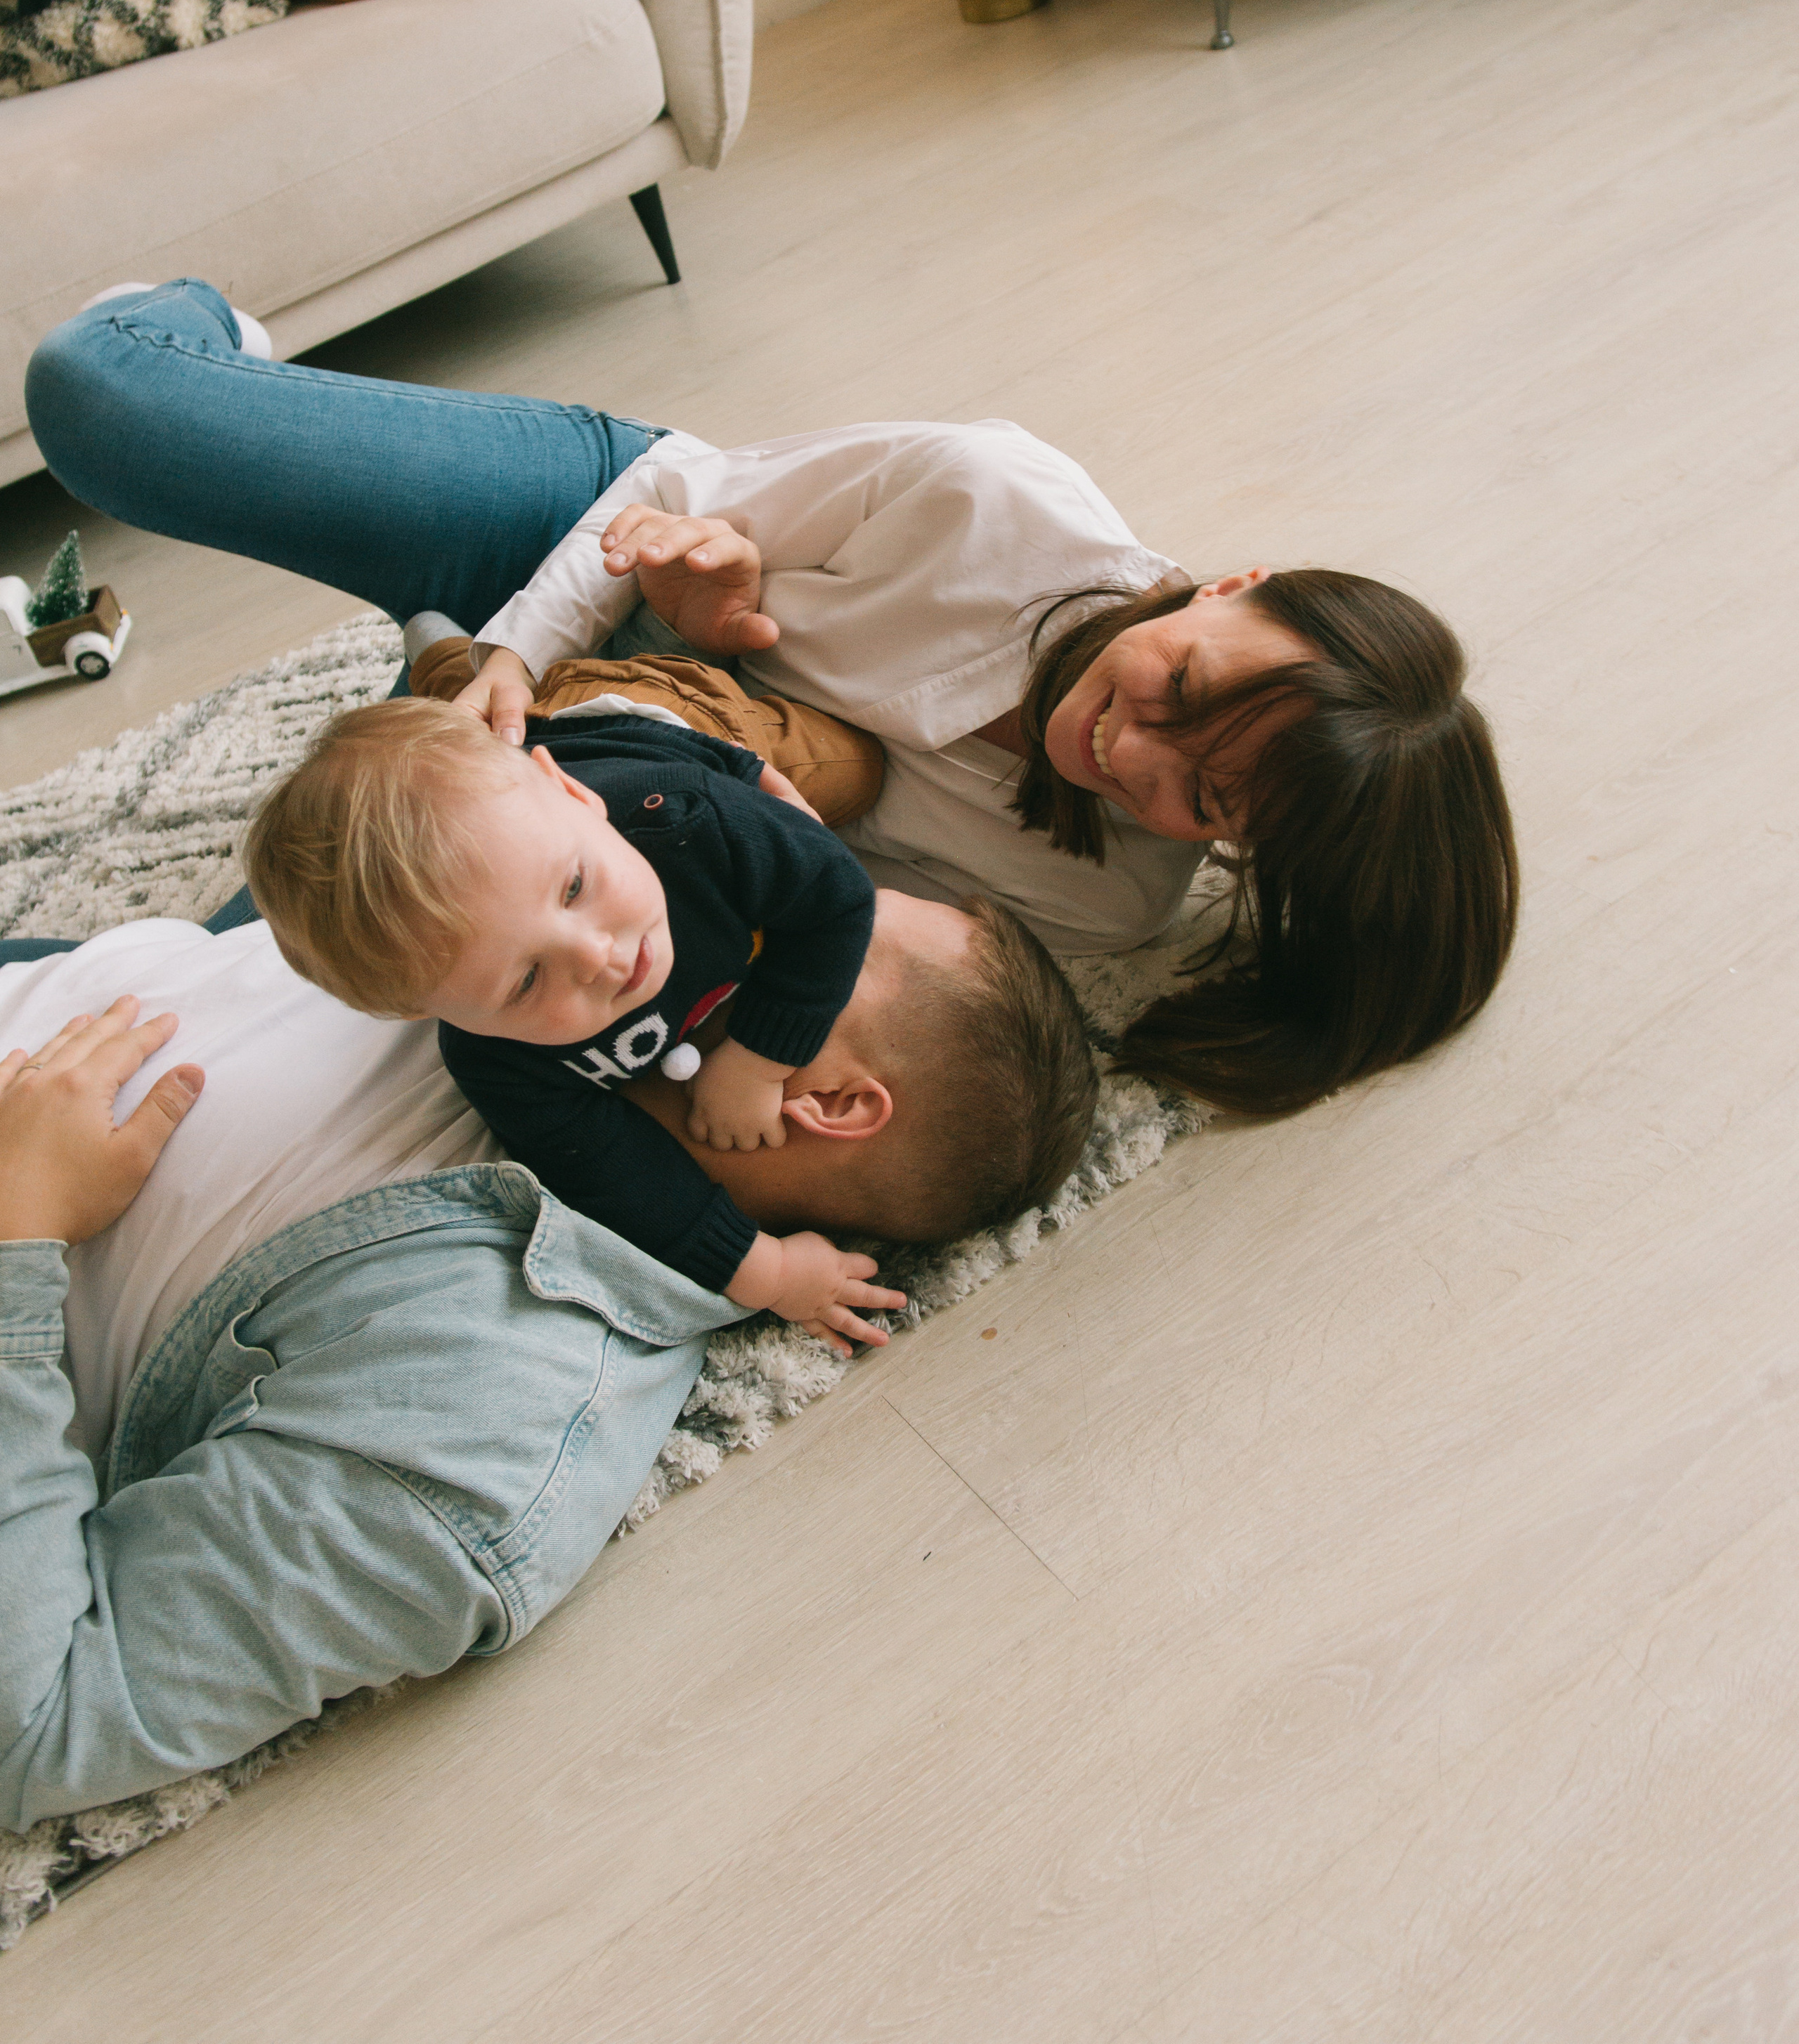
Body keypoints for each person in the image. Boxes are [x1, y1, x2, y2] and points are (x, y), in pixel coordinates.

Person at [25, 280, 1519, 1113]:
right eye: (1179, 686)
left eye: (1201, 798)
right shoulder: (988, 493)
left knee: (201, 1007)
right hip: (575, 541)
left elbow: (786, 891)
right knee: (98, 398)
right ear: (1231, 582)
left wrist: (666, 715)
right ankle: (225, 348)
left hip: (591, 759)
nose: (1126, 748)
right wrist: (541, 647)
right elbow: (673, 488)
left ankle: (411, 661)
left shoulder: (1112, 902)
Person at [0, 850, 1091, 1827]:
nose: (755, 885)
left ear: (829, 1101)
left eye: (811, 928)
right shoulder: (569, 979)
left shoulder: (486, 1414)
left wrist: (17, 1231)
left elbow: (45, 1721)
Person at [239, 698, 1096, 1329]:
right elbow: (610, 1172)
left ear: (574, 798)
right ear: (432, 1012)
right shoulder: (496, 1057)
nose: (602, 955)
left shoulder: (675, 825)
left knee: (758, 781)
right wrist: (762, 1272)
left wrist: (761, 1055)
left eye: (576, 887)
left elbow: (832, 897)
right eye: (524, 983)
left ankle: (473, 681)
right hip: (601, 767)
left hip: (642, 755)